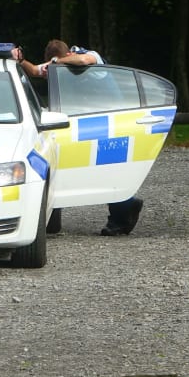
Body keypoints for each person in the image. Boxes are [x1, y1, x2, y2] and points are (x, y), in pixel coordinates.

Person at [12, 39, 144, 236]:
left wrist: (58, 62)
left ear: (64, 56)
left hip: (112, 123)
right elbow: (33, 71)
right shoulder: (59, 64)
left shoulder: (91, 57)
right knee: (59, 164)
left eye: (56, 62)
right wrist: (19, 59)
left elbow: (83, 62)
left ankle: (124, 212)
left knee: (111, 170)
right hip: (86, 123)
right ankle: (51, 219)